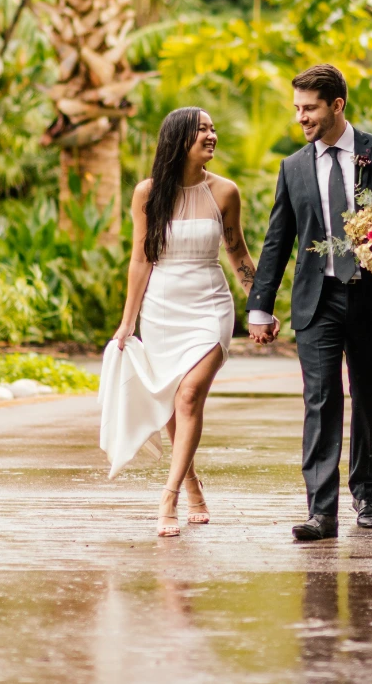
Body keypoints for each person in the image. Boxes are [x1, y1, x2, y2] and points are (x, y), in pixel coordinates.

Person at [246, 64, 372, 541]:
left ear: (337, 105)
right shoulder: (293, 166)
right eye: (297, 108)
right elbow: (278, 239)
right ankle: (321, 512)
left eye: (310, 108)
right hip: (316, 300)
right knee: (320, 400)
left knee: (369, 396)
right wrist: (260, 305)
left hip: (370, 297)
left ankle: (366, 495)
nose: (301, 117)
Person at [99, 107, 263, 537]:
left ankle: (168, 496)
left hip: (210, 306)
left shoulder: (224, 191)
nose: (212, 135)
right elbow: (141, 259)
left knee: (189, 396)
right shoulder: (148, 193)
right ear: (178, 139)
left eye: (213, 128)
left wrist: (259, 305)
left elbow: (238, 253)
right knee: (171, 401)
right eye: (202, 129)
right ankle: (190, 482)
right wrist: (127, 322)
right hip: (161, 309)